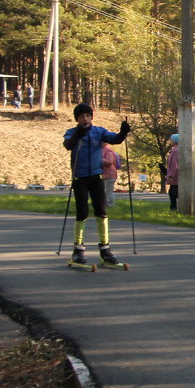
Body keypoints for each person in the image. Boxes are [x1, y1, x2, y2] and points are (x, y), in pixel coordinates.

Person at [63, 104, 130, 268]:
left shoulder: (98, 131)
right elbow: (68, 145)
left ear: (91, 117)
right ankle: (78, 250)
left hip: (96, 176)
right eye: (81, 116)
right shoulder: (73, 132)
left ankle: (105, 250)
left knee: (101, 211)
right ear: (76, 119)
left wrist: (123, 132)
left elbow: (114, 139)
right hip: (79, 177)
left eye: (87, 115)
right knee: (82, 212)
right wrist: (78, 134)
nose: (84, 118)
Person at [101, 142, 121, 208]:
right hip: (104, 174)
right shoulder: (101, 150)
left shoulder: (108, 151)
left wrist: (99, 159)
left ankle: (110, 205)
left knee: (108, 190)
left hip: (110, 174)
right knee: (104, 191)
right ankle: (105, 204)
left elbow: (109, 162)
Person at [165, 134, 180, 210]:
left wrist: (171, 175)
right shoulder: (175, 150)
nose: (170, 141)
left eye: (171, 140)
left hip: (175, 176)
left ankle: (173, 208)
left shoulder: (176, 151)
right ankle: (174, 208)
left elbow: (175, 164)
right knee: (173, 192)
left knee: (173, 193)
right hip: (176, 175)